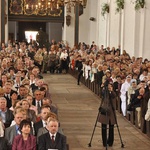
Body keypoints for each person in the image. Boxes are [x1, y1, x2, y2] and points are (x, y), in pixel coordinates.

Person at [98, 83, 117, 147]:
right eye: (108, 86)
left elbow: (114, 96)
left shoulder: (113, 93)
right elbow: (101, 94)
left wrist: (111, 91)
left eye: (110, 86)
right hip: (104, 111)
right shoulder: (104, 92)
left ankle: (110, 141)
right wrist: (103, 88)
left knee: (111, 128)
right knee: (103, 128)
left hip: (111, 113)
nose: (109, 87)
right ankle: (104, 142)